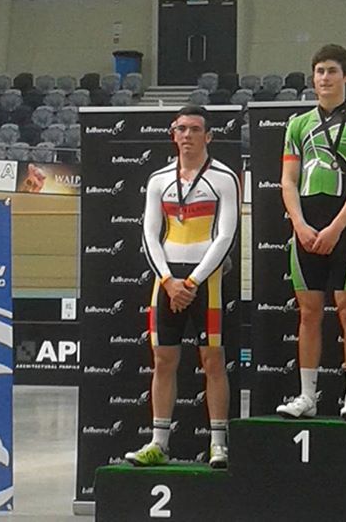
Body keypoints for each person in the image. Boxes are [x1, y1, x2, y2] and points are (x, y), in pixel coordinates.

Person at [125, 105, 240, 468]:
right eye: (181, 128)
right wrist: (168, 281)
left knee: (213, 359)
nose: (187, 135)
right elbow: (149, 234)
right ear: (173, 134)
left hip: (206, 279)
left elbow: (226, 236)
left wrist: (190, 282)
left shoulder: (224, 177)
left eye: (195, 129)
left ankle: (219, 444)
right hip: (167, 279)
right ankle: (159, 443)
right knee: (163, 360)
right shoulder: (159, 179)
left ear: (209, 136)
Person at [275, 44, 346, 420]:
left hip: (345, 227)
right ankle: (307, 396)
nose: (325, 78)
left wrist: (336, 227)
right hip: (305, 225)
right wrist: (300, 225)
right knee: (308, 312)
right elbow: (288, 181)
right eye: (319, 71)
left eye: (332, 71)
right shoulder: (297, 124)